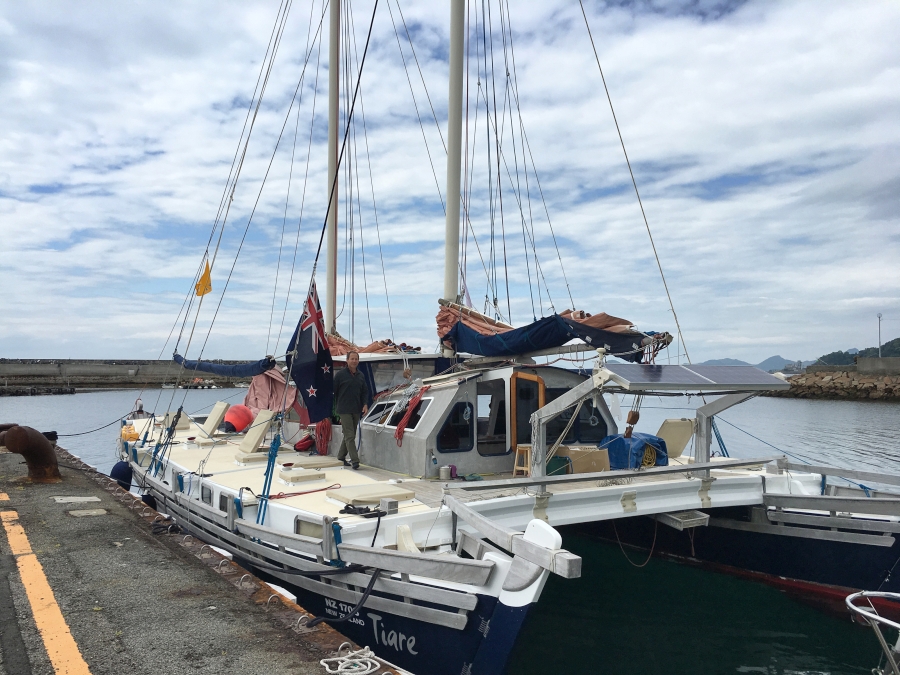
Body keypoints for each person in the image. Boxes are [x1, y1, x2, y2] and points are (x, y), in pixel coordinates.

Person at [333, 351, 369, 469]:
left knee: (350, 435)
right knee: (350, 435)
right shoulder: (340, 375)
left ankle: (340, 456)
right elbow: (334, 391)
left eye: (356, 359)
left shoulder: (361, 375)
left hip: (356, 409)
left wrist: (365, 404)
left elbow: (364, 391)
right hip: (344, 409)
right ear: (347, 360)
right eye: (352, 359)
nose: (354, 361)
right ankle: (355, 460)